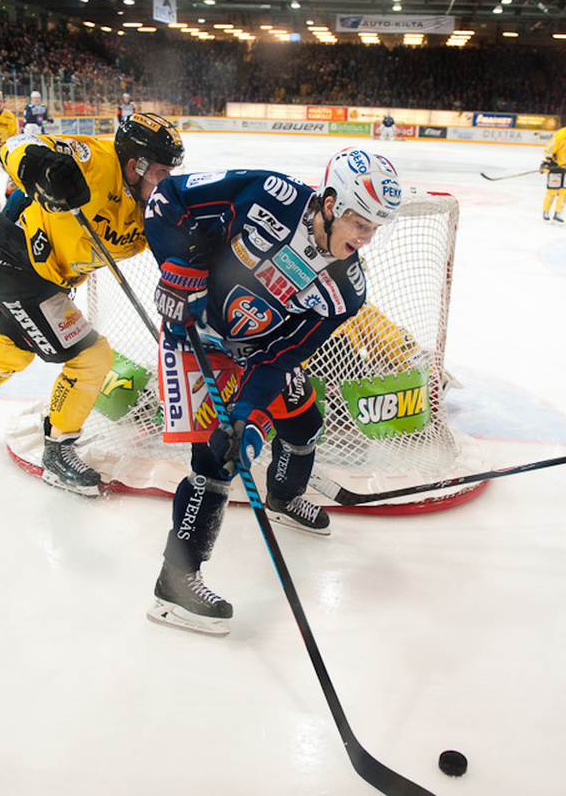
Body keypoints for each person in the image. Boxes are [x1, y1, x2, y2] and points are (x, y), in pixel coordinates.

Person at [143, 148, 402, 636]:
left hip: (255, 353)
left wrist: (245, 412)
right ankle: (174, 584)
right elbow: (166, 197)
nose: (366, 238)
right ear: (329, 202)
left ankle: (283, 495)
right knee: (215, 461)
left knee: (303, 418)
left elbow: (280, 357)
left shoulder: (347, 289)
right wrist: (176, 262)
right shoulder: (269, 192)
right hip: (193, 337)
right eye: (359, 221)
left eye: (374, 227)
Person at [0, 113, 184, 495]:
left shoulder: (148, 204)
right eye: (161, 170)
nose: (168, 180)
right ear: (135, 164)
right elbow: (15, 146)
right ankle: (58, 451)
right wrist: (39, 167)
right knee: (91, 357)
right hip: (14, 262)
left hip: (46, 277)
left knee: (13, 352)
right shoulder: (91, 160)